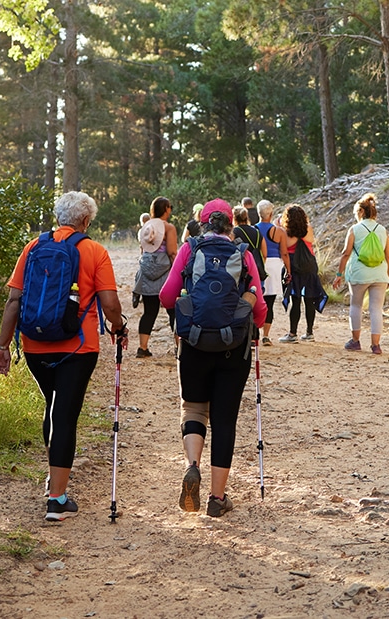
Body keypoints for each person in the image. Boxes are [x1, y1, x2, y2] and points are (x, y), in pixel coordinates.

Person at [0, 191, 128, 521]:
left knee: (53, 407)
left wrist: (2, 346)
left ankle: (55, 479)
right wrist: (118, 326)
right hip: (77, 347)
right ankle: (57, 499)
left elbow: (13, 301)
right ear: (85, 221)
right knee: (65, 414)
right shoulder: (94, 251)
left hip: (35, 345)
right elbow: (110, 303)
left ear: (57, 218)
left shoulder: (33, 247)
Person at [160, 199, 267, 517]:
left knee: (193, 407)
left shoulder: (189, 249)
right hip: (233, 345)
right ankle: (216, 498)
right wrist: (247, 321)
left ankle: (192, 465)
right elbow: (259, 308)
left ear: (202, 222)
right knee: (224, 420)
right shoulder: (243, 253)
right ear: (230, 225)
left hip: (193, 340)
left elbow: (167, 296)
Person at [332, 193, 389, 355]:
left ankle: (355, 341)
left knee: (356, 305)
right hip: (380, 274)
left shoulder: (354, 229)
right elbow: (388, 256)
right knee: (376, 309)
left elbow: (346, 253)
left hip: (359, 273)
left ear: (360, 212)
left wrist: (339, 274)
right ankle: (376, 345)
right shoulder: (383, 230)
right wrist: (387, 274)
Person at [133, 196, 178, 358]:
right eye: (170, 207)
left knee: (149, 312)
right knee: (173, 311)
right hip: (165, 273)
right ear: (165, 209)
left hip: (147, 271)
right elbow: (172, 252)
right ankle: (178, 347)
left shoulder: (146, 225)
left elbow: (143, 250)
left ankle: (142, 347)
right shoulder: (169, 227)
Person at [279, 204, 327, 343]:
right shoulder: (309, 229)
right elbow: (310, 241)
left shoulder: (285, 232)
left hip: (295, 266)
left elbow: (285, 250)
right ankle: (309, 332)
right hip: (309, 265)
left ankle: (292, 333)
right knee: (309, 299)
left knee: (296, 300)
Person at [255, 200, 290, 345]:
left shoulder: (253, 229)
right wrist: (289, 269)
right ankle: (266, 335)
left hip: (258, 264)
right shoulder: (279, 231)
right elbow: (284, 253)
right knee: (269, 302)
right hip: (274, 265)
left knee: (255, 299)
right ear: (270, 213)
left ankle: (254, 334)